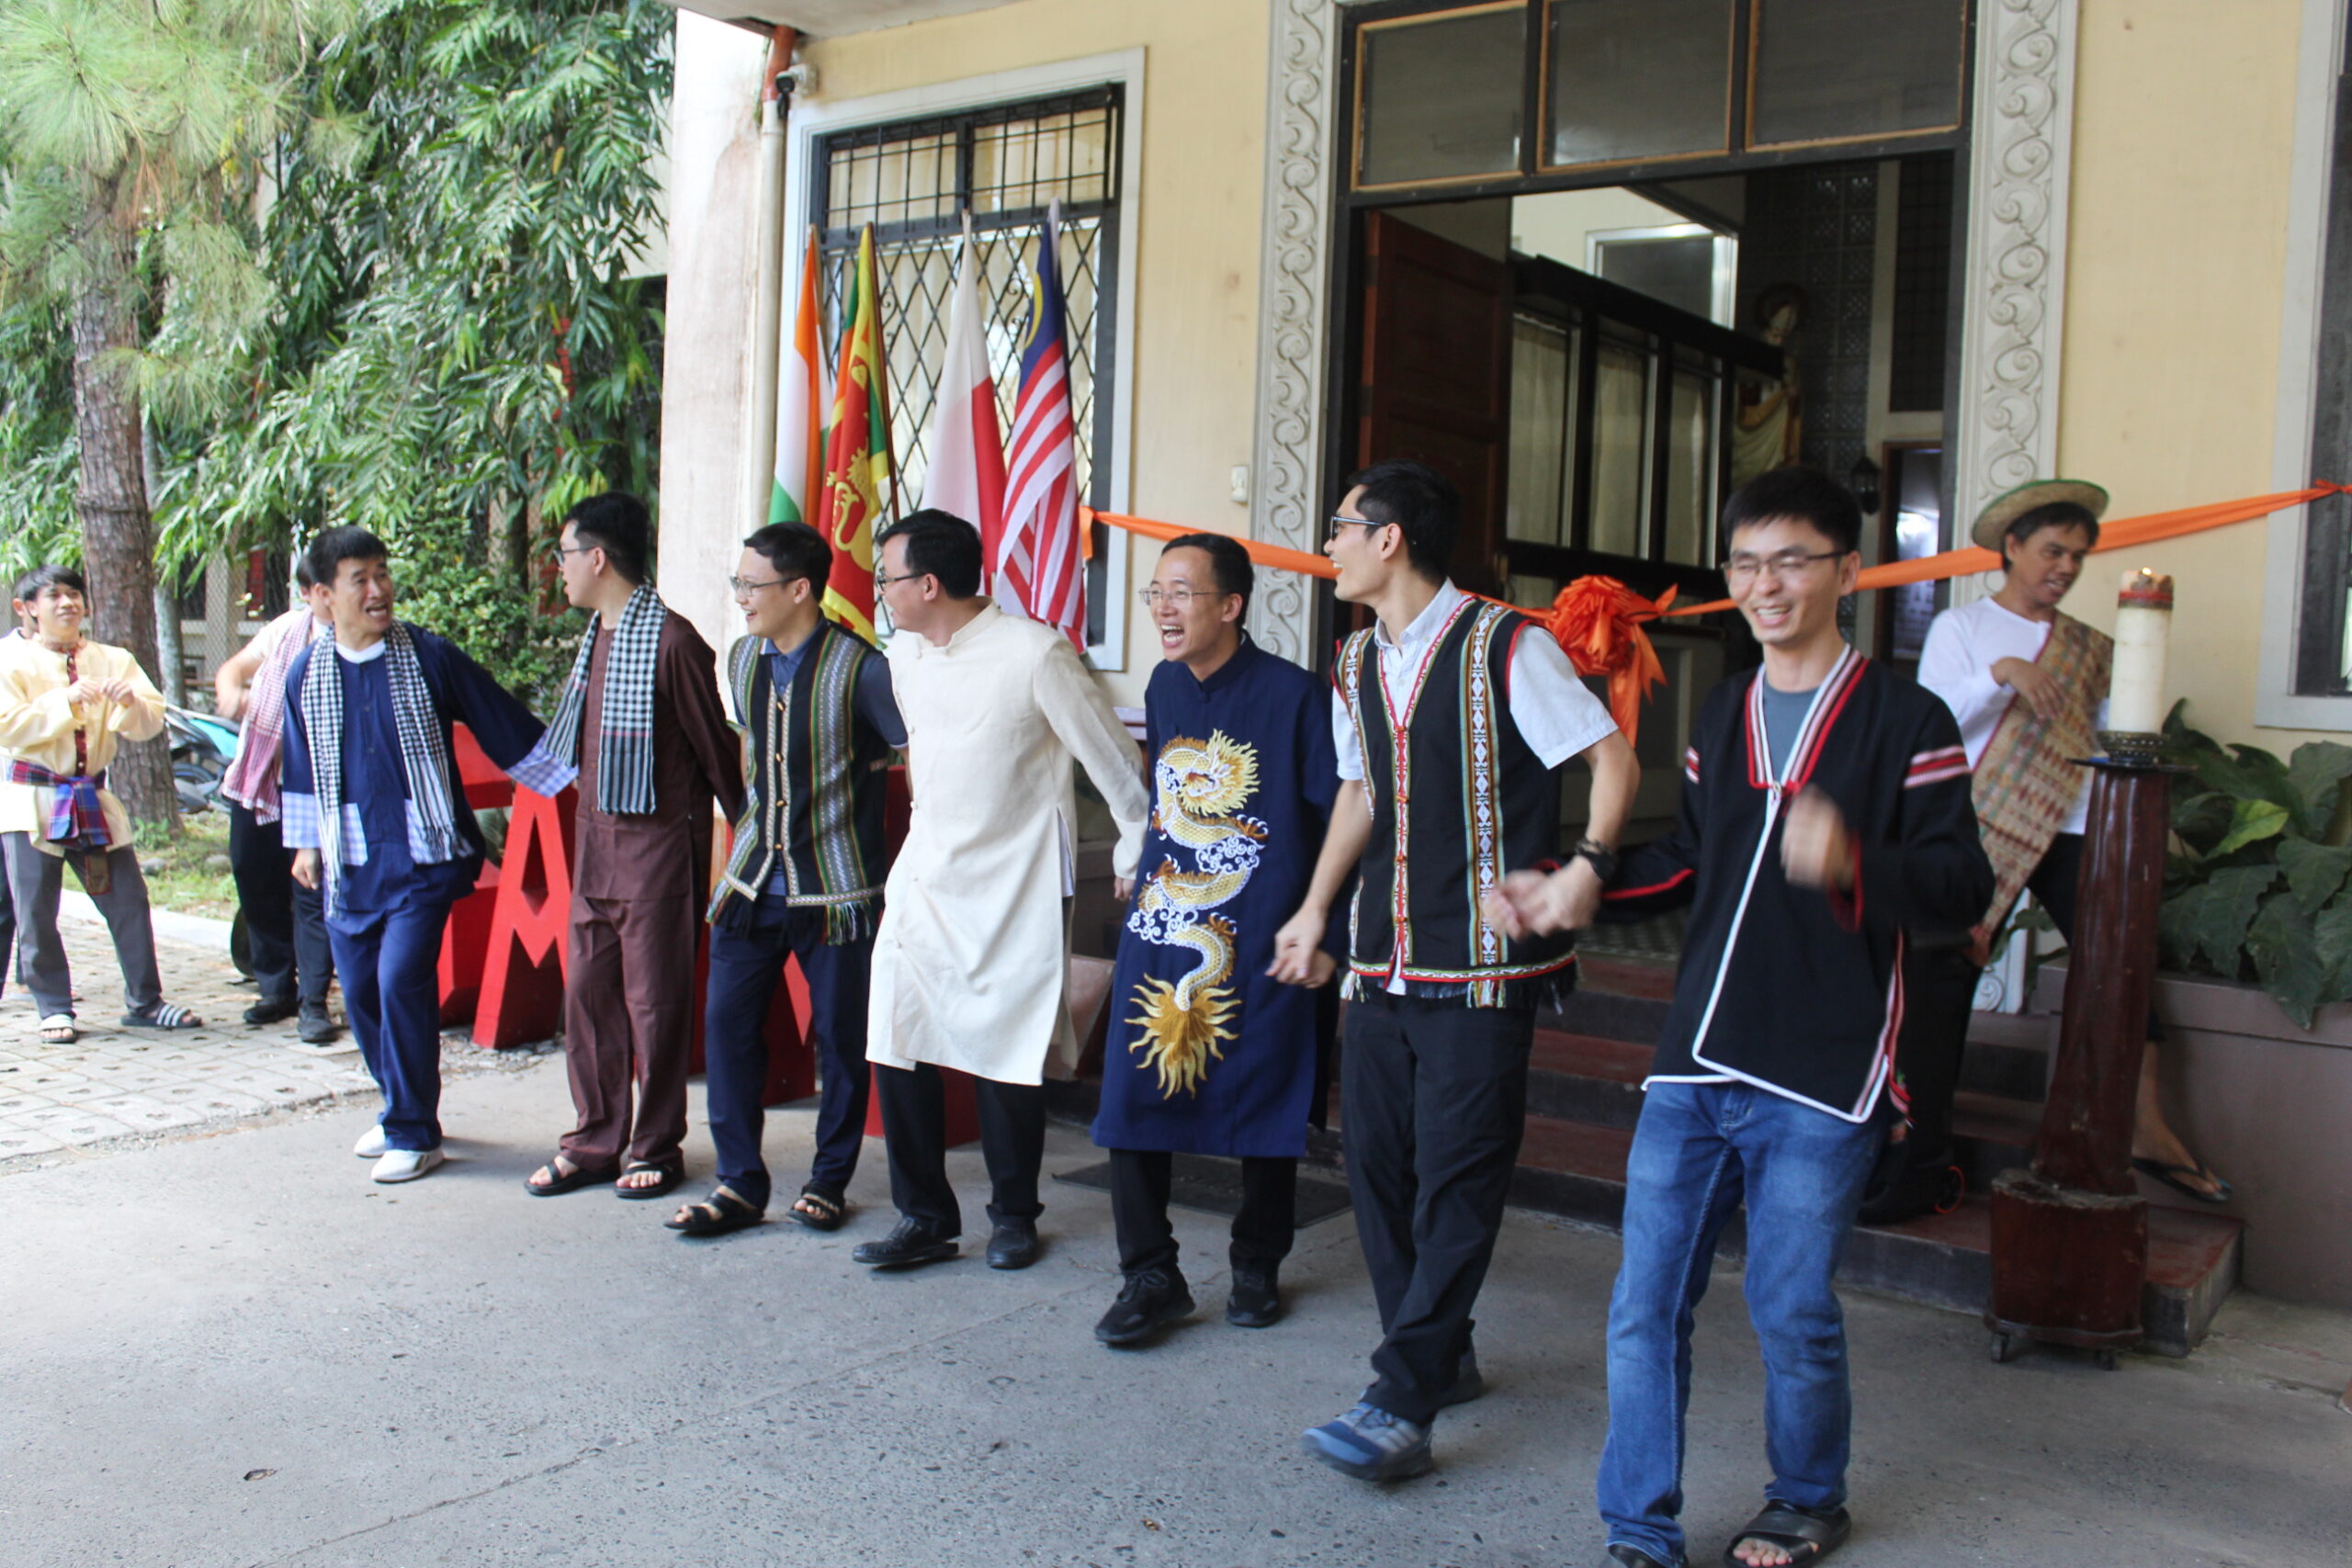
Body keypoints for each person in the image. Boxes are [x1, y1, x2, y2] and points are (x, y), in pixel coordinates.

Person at [1497, 467, 1992, 1568]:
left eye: (1790, 561)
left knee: (1789, 1307)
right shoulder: (1723, 711)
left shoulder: (1906, 719)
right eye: (1745, 564)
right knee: (1643, 1304)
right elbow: (1688, 860)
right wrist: (1580, 882)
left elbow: (1962, 890)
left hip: (1823, 1069)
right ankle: (1638, 1526)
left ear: (1846, 572)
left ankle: (1806, 1499)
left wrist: (1854, 857)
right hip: (1693, 1063)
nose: (1765, 585)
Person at [1270, 459, 1639, 1483]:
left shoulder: (1507, 643)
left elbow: (1609, 758)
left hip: (1482, 968)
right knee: (1377, 1170)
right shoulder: (1353, 659)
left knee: (1458, 1177)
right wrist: (1314, 909)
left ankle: (1402, 1399)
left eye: (1341, 526)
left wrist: (1588, 866)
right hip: (1378, 957)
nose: (1329, 546)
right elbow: (1358, 791)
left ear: (1389, 538)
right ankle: (1441, 1353)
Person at [1902, 479, 2229, 1210]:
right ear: (2013, 546)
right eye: (2053, 551)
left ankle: (2142, 1125)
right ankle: (1923, 1136)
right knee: (1945, 970)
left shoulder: (2088, 647)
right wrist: (2002, 674)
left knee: (2121, 955)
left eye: (2078, 556)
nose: (2067, 568)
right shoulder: (1962, 628)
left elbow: (2117, 732)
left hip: (2074, 822)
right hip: (1982, 822)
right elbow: (1933, 722)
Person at [854, 510, 1150, 1272]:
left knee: (1007, 1050)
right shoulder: (903, 654)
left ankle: (1014, 1216)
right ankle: (924, 1216)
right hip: (926, 877)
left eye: (887, 578)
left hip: (1015, 881)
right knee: (895, 1035)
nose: (881, 591)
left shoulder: (1034, 652)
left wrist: (1133, 846)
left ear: (928, 582)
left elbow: (1115, 760)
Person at [1089, 533, 1346, 1346]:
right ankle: (1149, 1273)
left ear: (1231, 606)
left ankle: (1257, 1262)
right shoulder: (1164, 684)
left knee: (1268, 1092)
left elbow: (1339, 816)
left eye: (1181, 593)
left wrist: (1326, 926)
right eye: (1155, 592)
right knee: (1134, 1091)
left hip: (1266, 927)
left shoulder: (1298, 696)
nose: (1162, 608)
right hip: (1166, 924)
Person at [281, 527, 556, 1183]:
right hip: (350, 863)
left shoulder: (428, 656)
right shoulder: (306, 673)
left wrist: (571, 777)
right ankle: (399, 1103)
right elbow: (299, 762)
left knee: (401, 978)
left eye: (382, 573)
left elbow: (501, 720)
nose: (379, 590)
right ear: (322, 596)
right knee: (362, 992)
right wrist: (305, 843)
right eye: (360, 579)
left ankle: (413, 1130)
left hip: (422, 856)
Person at [664, 519, 902, 1238]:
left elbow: (912, 753)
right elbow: (752, 755)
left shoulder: (864, 669)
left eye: (751, 584)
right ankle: (739, 1182)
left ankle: (828, 1181)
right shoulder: (743, 658)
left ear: (800, 589)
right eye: (737, 582)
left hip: (835, 888)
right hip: (750, 881)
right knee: (726, 1027)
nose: (740, 596)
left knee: (839, 1037)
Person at [514, 493, 741, 1203]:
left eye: (564, 555)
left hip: (657, 857)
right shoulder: (596, 639)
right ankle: (594, 1139)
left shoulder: (672, 642)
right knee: (587, 1000)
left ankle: (655, 1144)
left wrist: (750, 834)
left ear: (598, 558)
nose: (560, 569)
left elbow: (716, 750)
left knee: (655, 1006)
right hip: (596, 854)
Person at [1, 565, 204, 1045]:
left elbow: (148, 723)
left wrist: (129, 701)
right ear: (26, 608)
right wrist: (66, 701)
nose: (68, 603)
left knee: (128, 899)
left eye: (74, 594)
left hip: (90, 797)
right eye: (54, 595)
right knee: (36, 908)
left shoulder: (112, 658)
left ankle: (146, 1002)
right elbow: (8, 725)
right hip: (31, 800)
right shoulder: (9, 658)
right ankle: (53, 1006)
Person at [214, 557, 340, 1046]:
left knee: (311, 891)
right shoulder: (287, 629)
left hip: (321, 788)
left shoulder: (355, 639)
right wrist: (232, 693)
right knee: (255, 877)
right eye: (322, 588)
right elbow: (236, 667)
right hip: (262, 779)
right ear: (308, 592)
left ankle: (314, 1002)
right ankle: (275, 988)